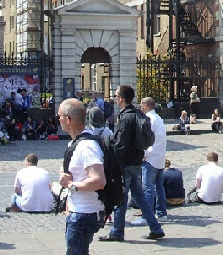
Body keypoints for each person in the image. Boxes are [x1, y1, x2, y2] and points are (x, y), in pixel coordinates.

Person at [99, 85, 164, 242]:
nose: (114, 98)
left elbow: (121, 144)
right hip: (137, 162)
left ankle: (117, 232)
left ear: (121, 98)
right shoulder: (137, 114)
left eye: (115, 96)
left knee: (120, 197)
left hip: (126, 164)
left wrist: (113, 161)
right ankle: (156, 228)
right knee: (140, 198)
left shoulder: (125, 117)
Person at [58, 98, 106, 254]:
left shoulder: (86, 146)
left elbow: (99, 180)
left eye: (60, 116)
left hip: (84, 214)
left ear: (68, 119)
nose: (58, 119)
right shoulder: (76, 143)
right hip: (78, 211)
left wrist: (71, 185)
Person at [132, 97, 167, 225]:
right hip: (159, 156)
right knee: (159, 187)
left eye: (141, 105)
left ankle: (147, 215)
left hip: (151, 158)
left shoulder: (149, 120)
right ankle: (161, 213)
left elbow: (148, 140)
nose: (140, 107)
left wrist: (144, 154)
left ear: (146, 106)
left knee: (148, 188)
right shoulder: (159, 118)